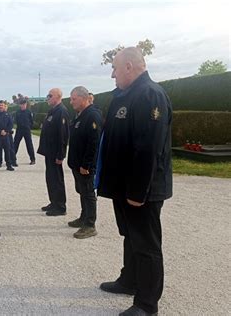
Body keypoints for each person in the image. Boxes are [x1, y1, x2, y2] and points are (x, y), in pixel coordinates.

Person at [97, 47, 173, 316]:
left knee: (147, 245)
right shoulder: (125, 95)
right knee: (130, 237)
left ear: (129, 66)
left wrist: (138, 192)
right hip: (124, 187)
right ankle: (129, 280)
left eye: (115, 69)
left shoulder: (150, 94)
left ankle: (146, 304)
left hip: (140, 190)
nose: (112, 75)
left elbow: (148, 148)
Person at [66, 86, 103, 239]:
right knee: (82, 191)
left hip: (85, 165)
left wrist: (86, 165)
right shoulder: (80, 115)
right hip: (77, 163)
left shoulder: (92, 115)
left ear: (83, 98)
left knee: (88, 193)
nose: (71, 102)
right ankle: (83, 217)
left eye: (73, 99)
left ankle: (90, 224)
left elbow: (93, 143)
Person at [37, 88, 70, 216]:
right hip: (49, 152)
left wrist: (61, 154)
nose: (48, 98)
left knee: (57, 179)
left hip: (55, 152)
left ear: (58, 96)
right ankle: (54, 202)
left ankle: (60, 206)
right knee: (50, 178)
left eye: (50, 95)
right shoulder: (53, 111)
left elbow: (63, 135)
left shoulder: (61, 111)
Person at [0, 100, 15, 172]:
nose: (1, 106)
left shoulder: (8, 114)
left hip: (6, 136)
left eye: (2, 105)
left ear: (4, 106)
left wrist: (6, 131)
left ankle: (9, 165)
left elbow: (11, 124)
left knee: (7, 151)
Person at [13, 98, 36, 165]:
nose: (23, 105)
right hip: (19, 130)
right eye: (22, 104)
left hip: (27, 130)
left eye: (24, 104)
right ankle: (12, 159)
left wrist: (29, 127)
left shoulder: (29, 112)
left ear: (26, 105)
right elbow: (15, 121)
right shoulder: (17, 112)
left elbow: (31, 121)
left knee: (29, 145)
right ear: (20, 105)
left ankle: (32, 159)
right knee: (15, 144)